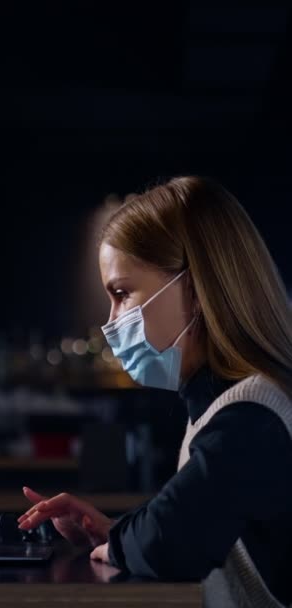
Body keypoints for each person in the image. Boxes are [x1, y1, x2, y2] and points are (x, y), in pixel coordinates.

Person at [18, 176, 292, 607]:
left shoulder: (252, 415)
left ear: (197, 288)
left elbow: (174, 539)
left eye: (122, 293)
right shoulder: (228, 406)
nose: (111, 321)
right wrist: (115, 533)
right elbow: (192, 516)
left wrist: (126, 539)